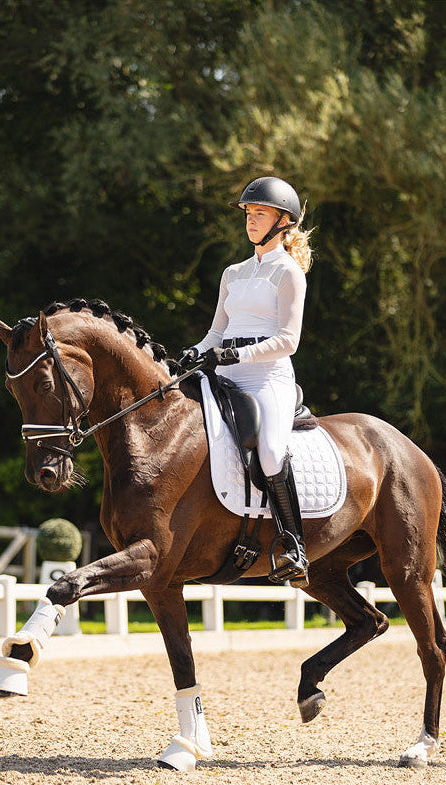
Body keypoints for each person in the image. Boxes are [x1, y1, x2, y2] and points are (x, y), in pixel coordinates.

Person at [177, 176, 313, 588]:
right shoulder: (233, 273)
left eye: (260, 214)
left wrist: (240, 354)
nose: (251, 221)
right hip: (226, 375)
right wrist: (193, 352)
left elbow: (288, 341)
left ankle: (294, 546)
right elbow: (216, 333)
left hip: (267, 377)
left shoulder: (288, 273)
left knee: (271, 451)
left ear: (282, 221)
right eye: (249, 214)